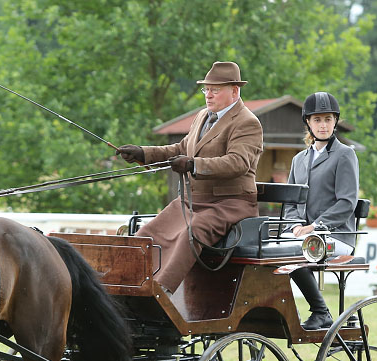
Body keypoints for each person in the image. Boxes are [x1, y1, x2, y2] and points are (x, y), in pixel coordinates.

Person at [117, 61, 263, 294]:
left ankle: (160, 292)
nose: (209, 95)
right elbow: (181, 149)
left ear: (235, 91)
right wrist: (144, 153)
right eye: (206, 89)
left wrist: (194, 164)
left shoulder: (247, 122)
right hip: (192, 202)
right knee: (146, 234)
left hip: (230, 204)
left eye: (215, 89)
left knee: (190, 234)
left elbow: (238, 162)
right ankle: (128, 286)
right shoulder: (202, 116)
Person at [282, 91, 360, 330]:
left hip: (337, 236)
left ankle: (320, 311)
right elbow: (291, 202)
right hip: (306, 235)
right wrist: (295, 225)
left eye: (327, 119)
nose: (323, 125)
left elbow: (347, 202)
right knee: (274, 249)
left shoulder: (345, 155)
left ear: (335, 121)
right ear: (308, 122)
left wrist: (315, 226)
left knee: (297, 248)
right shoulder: (299, 160)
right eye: (317, 119)